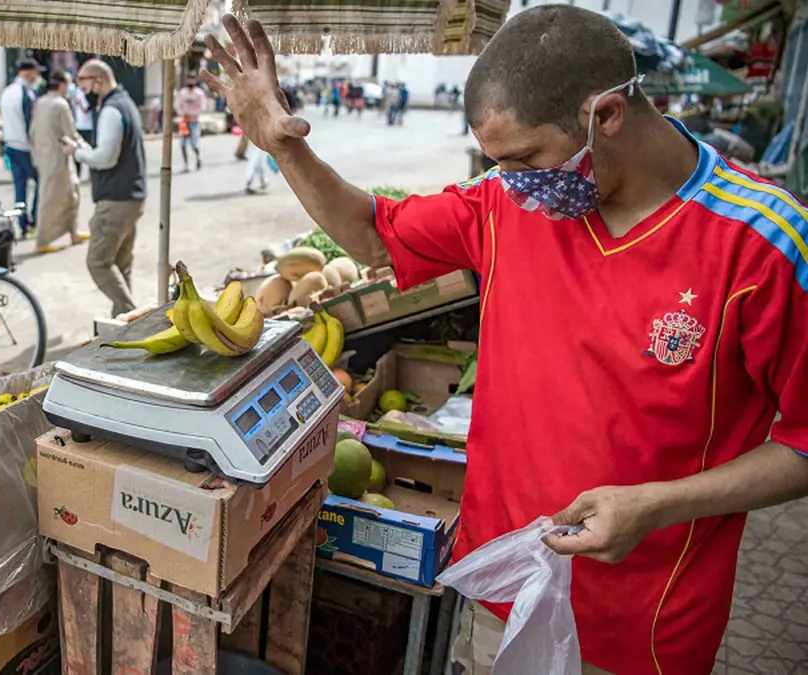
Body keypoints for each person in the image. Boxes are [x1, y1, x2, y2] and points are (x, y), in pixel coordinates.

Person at [204, 9, 808, 674]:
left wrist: (656, 503)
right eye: (500, 164)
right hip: (501, 589)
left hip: (642, 630)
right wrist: (286, 146)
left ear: (605, 115)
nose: (514, 182)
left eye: (525, 158)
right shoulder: (506, 204)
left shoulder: (764, 245)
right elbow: (375, 235)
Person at [64, 59, 146, 318]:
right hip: (131, 196)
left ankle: (130, 316)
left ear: (97, 80)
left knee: (98, 261)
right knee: (121, 265)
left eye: (83, 83)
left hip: (116, 200)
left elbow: (106, 158)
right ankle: (123, 321)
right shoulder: (125, 102)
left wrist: (76, 153)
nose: (81, 90)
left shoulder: (112, 109)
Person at [30, 72, 89, 254]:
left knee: (71, 193)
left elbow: (32, 131)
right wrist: (89, 150)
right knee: (53, 198)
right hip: (58, 157)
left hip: (45, 156)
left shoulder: (40, 102)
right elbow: (71, 133)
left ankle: (73, 232)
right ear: (62, 85)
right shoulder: (60, 104)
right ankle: (42, 240)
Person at [0, 60, 43, 235]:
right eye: (35, 72)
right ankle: (35, 219)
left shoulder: (7, 92)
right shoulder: (25, 93)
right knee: (41, 182)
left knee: (20, 187)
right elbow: (29, 123)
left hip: (11, 144)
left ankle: (23, 224)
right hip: (26, 147)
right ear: (28, 73)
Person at [174, 75, 207, 172]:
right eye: (189, 80)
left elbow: (202, 108)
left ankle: (198, 158)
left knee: (194, 144)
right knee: (183, 145)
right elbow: (177, 105)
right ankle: (186, 165)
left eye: (192, 80)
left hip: (194, 122)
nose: (190, 82)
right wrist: (182, 113)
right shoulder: (182, 93)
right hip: (184, 122)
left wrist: (191, 113)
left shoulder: (199, 93)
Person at [71, 84, 96, 179]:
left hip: (89, 126)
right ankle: (77, 174)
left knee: (91, 150)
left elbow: (86, 110)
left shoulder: (90, 94)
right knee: (77, 150)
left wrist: (80, 103)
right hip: (79, 126)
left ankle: (92, 173)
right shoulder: (76, 91)